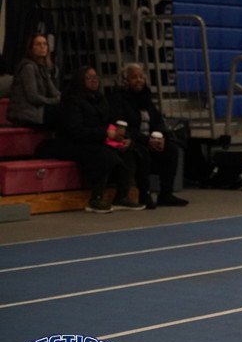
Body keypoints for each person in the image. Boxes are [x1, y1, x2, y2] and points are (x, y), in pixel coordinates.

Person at [58, 66, 142, 213]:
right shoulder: (71, 100)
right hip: (75, 144)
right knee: (105, 155)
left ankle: (122, 197)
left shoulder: (100, 99)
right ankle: (96, 198)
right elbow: (75, 131)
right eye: (89, 78)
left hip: (99, 140)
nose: (94, 80)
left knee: (128, 151)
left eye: (95, 77)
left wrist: (123, 137)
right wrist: (104, 133)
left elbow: (112, 121)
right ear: (80, 80)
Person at [109, 63, 189, 209]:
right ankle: (144, 195)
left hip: (148, 139)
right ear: (125, 81)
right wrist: (146, 140)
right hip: (133, 140)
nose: (139, 80)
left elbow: (158, 121)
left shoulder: (146, 98)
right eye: (134, 77)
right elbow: (124, 127)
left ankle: (166, 195)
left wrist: (161, 138)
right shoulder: (118, 99)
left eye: (141, 77)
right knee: (142, 152)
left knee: (171, 149)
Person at [7, 33, 61, 129]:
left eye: (45, 44)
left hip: (38, 111)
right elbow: (33, 97)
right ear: (31, 48)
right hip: (26, 114)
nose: (42, 47)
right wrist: (55, 101)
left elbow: (53, 91)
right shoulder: (28, 67)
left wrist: (64, 98)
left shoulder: (42, 68)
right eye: (38, 44)